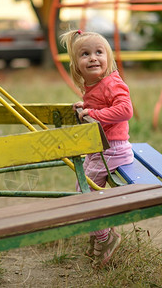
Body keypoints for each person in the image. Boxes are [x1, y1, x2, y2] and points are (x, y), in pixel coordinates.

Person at [61, 30, 134, 268]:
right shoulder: (95, 85)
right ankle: (98, 233)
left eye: (99, 52)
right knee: (83, 187)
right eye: (85, 54)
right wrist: (86, 105)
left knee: (85, 194)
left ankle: (106, 237)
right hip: (102, 150)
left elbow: (125, 110)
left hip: (112, 149)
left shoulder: (112, 82)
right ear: (77, 66)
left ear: (109, 58)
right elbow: (100, 104)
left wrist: (94, 114)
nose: (93, 57)